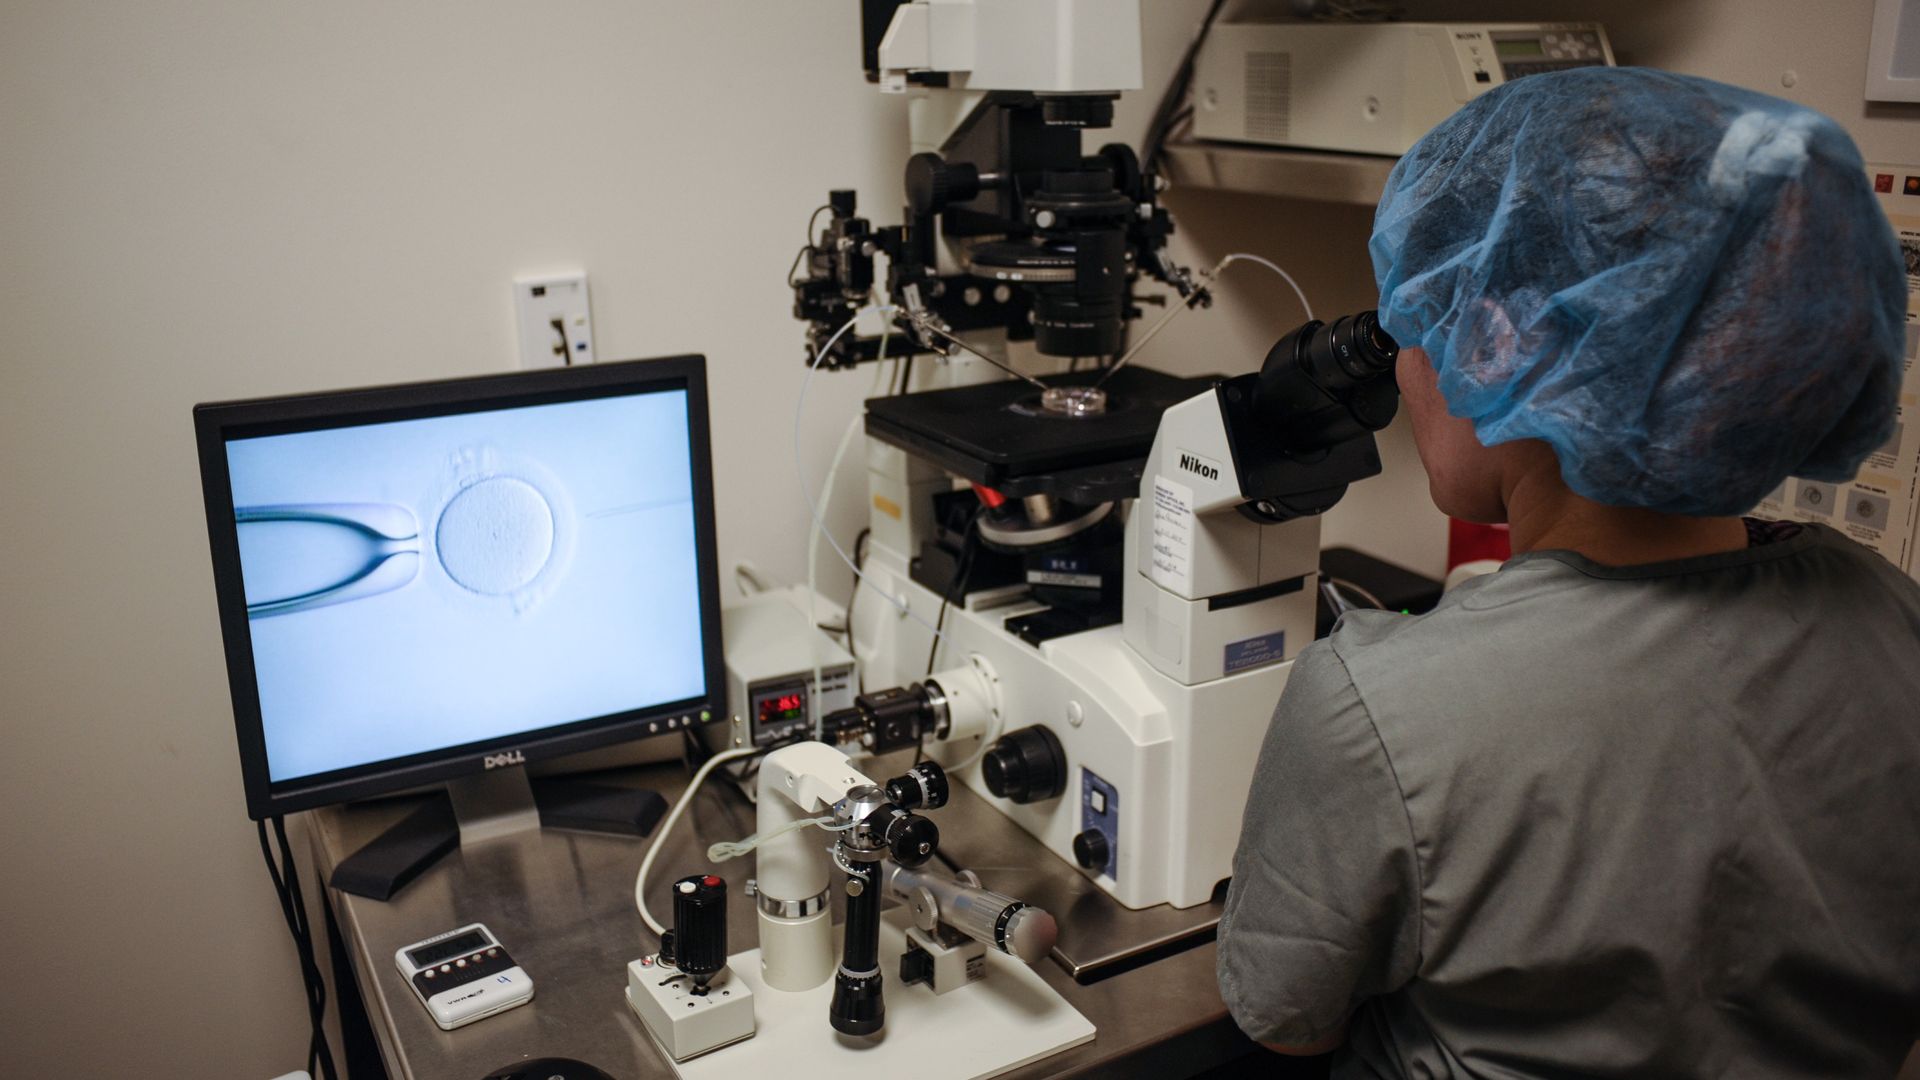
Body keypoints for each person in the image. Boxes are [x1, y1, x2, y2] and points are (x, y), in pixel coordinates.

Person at [1216, 67, 1920, 1076]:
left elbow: (1287, 1020)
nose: (1409, 366)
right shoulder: (1894, 619)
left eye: (1420, 322)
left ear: (1497, 346)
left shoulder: (1386, 705)